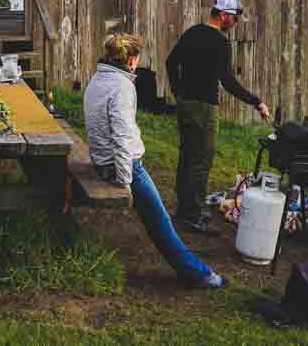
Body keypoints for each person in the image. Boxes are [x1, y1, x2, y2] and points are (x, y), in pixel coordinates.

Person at [84, 33, 226, 289]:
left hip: (102, 161)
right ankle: (200, 275)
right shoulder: (123, 87)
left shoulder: (98, 79)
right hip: (122, 166)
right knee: (160, 221)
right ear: (131, 60)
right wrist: (125, 181)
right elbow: (122, 136)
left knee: (158, 218)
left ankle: (198, 272)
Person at [166, 0, 271, 234]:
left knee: (187, 154)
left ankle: (184, 208)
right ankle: (192, 215)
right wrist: (256, 102)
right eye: (234, 18)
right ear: (223, 15)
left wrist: (178, 90)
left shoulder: (192, 33)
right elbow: (228, 82)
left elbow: (171, 62)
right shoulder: (220, 43)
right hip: (204, 107)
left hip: (185, 105)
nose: (234, 23)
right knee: (201, 159)